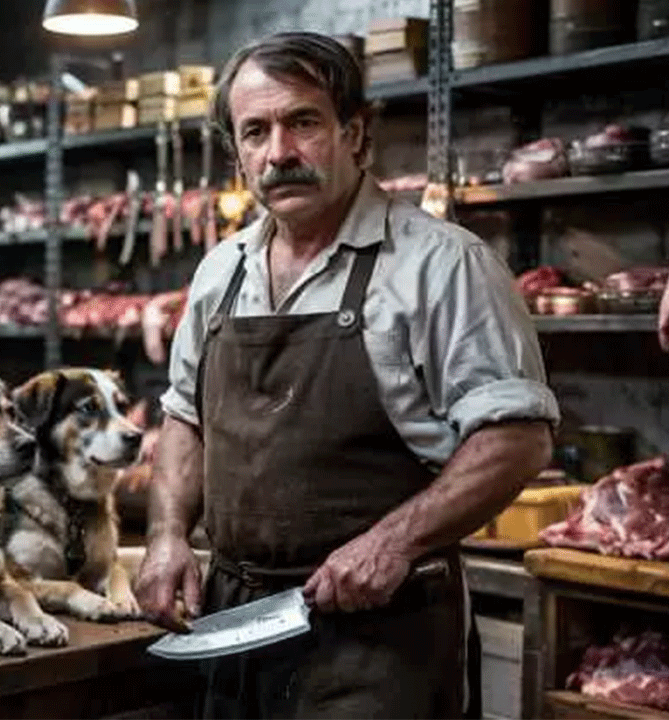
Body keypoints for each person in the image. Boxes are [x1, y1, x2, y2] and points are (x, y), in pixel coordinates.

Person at [133, 30, 561, 720]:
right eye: (256, 131)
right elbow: (185, 416)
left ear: (356, 134)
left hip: (379, 636)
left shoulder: (441, 264)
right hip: (233, 622)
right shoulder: (222, 270)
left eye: (303, 122)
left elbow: (517, 437)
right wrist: (167, 537)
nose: (279, 153)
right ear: (236, 151)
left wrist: (393, 543)